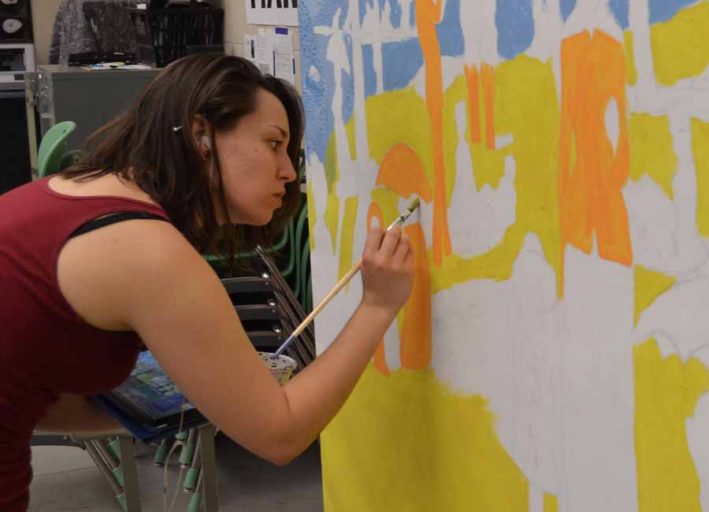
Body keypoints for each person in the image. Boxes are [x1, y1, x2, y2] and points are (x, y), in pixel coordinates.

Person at [0, 54, 414, 511]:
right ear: (202, 136)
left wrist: (188, 406)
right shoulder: (147, 251)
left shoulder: (82, 191)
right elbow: (281, 435)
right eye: (273, 144)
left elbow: (33, 392)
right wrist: (377, 306)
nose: (289, 172)